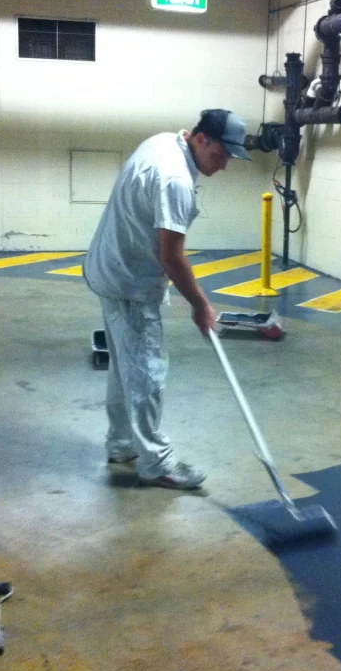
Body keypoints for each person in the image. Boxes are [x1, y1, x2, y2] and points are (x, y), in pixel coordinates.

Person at [83, 109, 251, 489]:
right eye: (220, 155)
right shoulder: (175, 179)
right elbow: (172, 257)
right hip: (130, 281)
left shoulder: (163, 142)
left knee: (124, 368)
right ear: (201, 139)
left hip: (109, 267)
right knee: (146, 372)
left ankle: (123, 444)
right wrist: (202, 306)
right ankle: (157, 463)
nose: (223, 166)